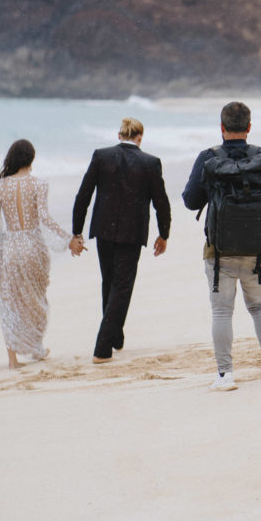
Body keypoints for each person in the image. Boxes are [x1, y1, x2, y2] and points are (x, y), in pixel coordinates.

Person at [182, 101, 261, 391]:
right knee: (260, 306)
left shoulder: (208, 157)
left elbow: (190, 201)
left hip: (220, 249)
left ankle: (225, 375)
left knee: (222, 312)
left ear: (222, 127)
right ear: (249, 127)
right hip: (258, 247)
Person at [0, 139, 73, 369]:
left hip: (10, 248)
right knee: (36, 300)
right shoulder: (40, 184)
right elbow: (45, 219)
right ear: (31, 159)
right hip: (34, 247)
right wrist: (68, 238)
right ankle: (36, 346)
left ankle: (12, 360)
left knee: (10, 303)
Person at [72, 118, 171, 363]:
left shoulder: (101, 156)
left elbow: (83, 194)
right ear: (140, 138)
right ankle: (102, 347)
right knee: (122, 285)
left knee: (110, 281)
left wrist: (77, 232)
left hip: (103, 230)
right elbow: (161, 202)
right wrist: (164, 233)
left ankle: (114, 335)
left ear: (119, 135)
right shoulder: (150, 163)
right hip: (132, 233)